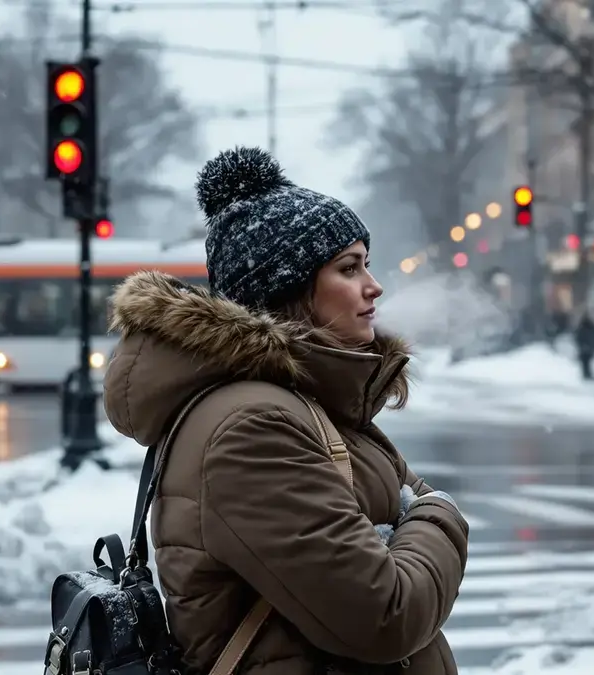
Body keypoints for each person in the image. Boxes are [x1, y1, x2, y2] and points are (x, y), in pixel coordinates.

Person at [101, 147, 468, 675]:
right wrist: (442, 514)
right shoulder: (250, 426)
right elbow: (388, 614)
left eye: (367, 263)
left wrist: (416, 519)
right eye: (349, 267)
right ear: (288, 291)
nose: (374, 285)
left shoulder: (306, 406)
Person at [574, 313, 594, 381]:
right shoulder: (589, 328)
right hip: (586, 348)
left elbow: (578, 338)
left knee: (586, 362)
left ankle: (586, 374)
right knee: (586, 362)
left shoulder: (583, 328)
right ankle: (586, 374)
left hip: (586, 348)